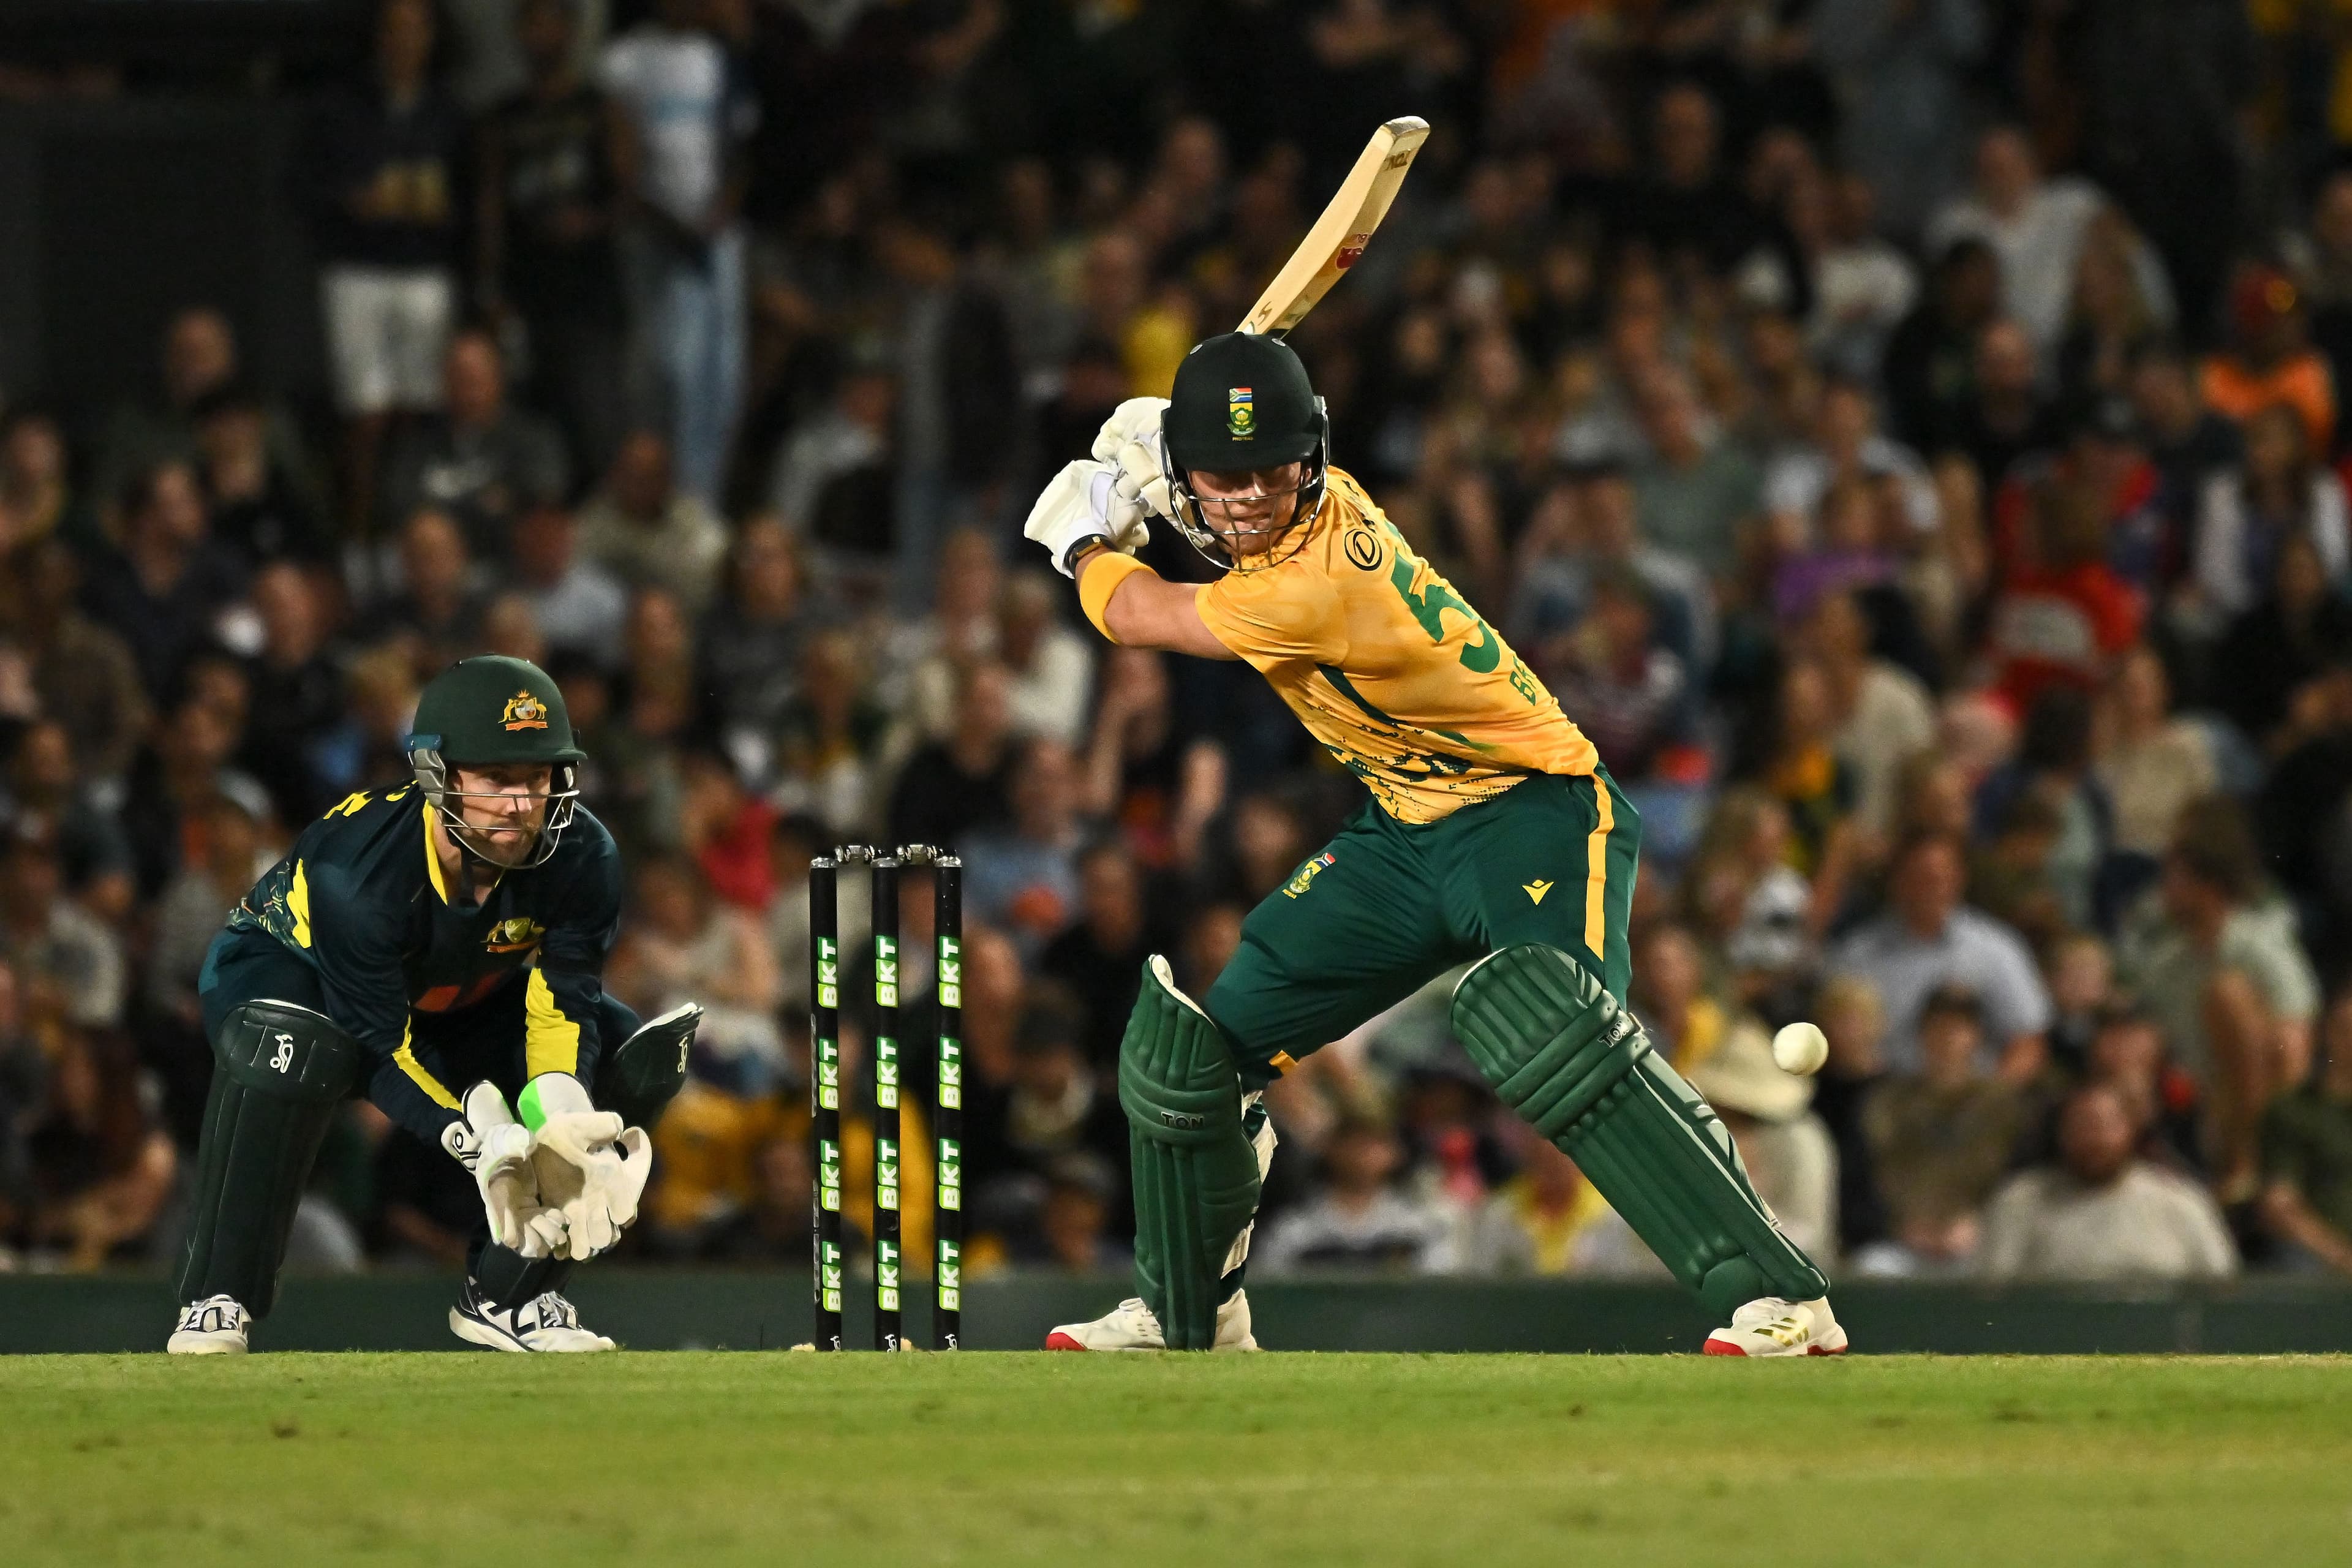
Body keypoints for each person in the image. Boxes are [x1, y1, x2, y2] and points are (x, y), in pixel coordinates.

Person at [1025, 332, 1847, 1356]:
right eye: (1222, 478)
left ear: (1309, 466)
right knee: (1195, 1053)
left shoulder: (1313, 581)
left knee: (1564, 1037)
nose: (1247, 500)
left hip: (1533, 808)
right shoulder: (1287, 513)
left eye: (1268, 476)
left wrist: (1085, 545)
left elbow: (1148, 615)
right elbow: (1227, 516)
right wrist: (1166, 453)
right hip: (1405, 825)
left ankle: (1786, 1301)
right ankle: (1191, 1314)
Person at [165, 654, 702, 1355]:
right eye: (496, 779)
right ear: (436, 775)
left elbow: (562, 1002)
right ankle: (216, 1299)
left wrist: (561, 1119)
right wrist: (483, 1137)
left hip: (452, 987)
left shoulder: (584, 855)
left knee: (624, 1047)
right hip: (291, 977)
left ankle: (512, 1296)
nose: (521, 804)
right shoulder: (357, 873)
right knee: (293, 1047)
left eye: (538, 779)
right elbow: (381, 1043)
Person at [1978, 1084, 2237, 1284]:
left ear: (2131, 1130)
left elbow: (2222, 1290)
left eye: (2106, 1125)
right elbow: (1991, 1297)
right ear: (2061, 1133)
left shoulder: (2179, 1201)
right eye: (2082, 1125)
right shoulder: (2020, 1202)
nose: (2095, 1138)